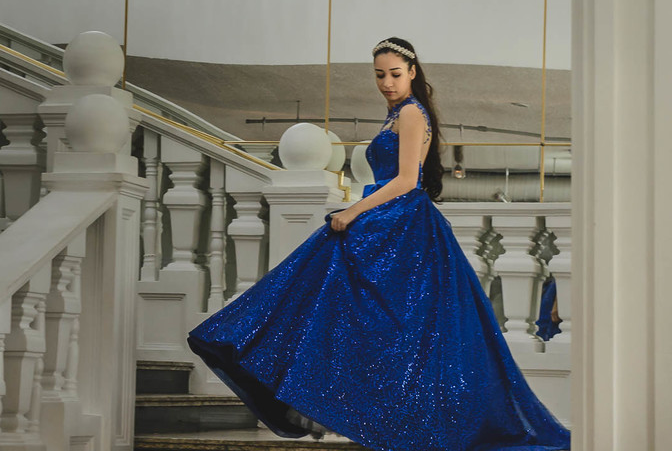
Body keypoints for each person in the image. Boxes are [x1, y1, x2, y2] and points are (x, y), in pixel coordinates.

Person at [187, 37, 571, 451]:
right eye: (379, 75)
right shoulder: (395, 115)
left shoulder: (409, 113)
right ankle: (377, 412)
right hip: (391, 222)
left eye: (395, 74)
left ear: (412, 74)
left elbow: (407, 181)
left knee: (393, 323)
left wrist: (353, 212)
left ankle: (391, 417)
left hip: (403, 224)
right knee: (377, 324)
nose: (386, 82)